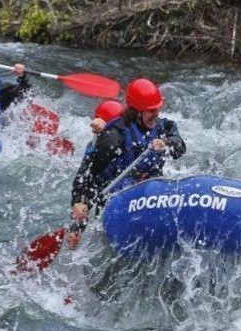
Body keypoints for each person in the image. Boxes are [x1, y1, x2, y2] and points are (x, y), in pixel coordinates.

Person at [67, 79, 186, 246]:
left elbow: (180, 146)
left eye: (157, 109)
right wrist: (78, 220)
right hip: (118, 203)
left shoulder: (162, 127)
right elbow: (88, 176)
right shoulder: (113, 136)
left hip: (151, 196)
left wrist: (166, 144)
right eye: (151, 110)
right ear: (136, 112)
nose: (156, 113)